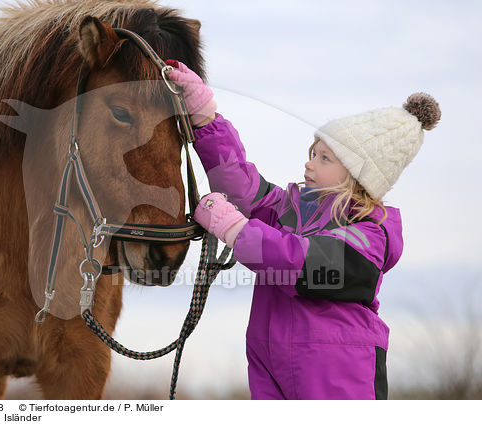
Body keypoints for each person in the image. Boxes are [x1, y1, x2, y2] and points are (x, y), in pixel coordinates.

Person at [164, 59, 441, 400]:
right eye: (313, 153)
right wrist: (204, 116)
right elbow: (240, 184)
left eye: (325, 158)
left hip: (337, 371)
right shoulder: (289, 211)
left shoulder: (370, 235)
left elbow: (306, 263)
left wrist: (234, 228)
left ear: (358, 177)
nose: (309, 163)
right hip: (271, 366)